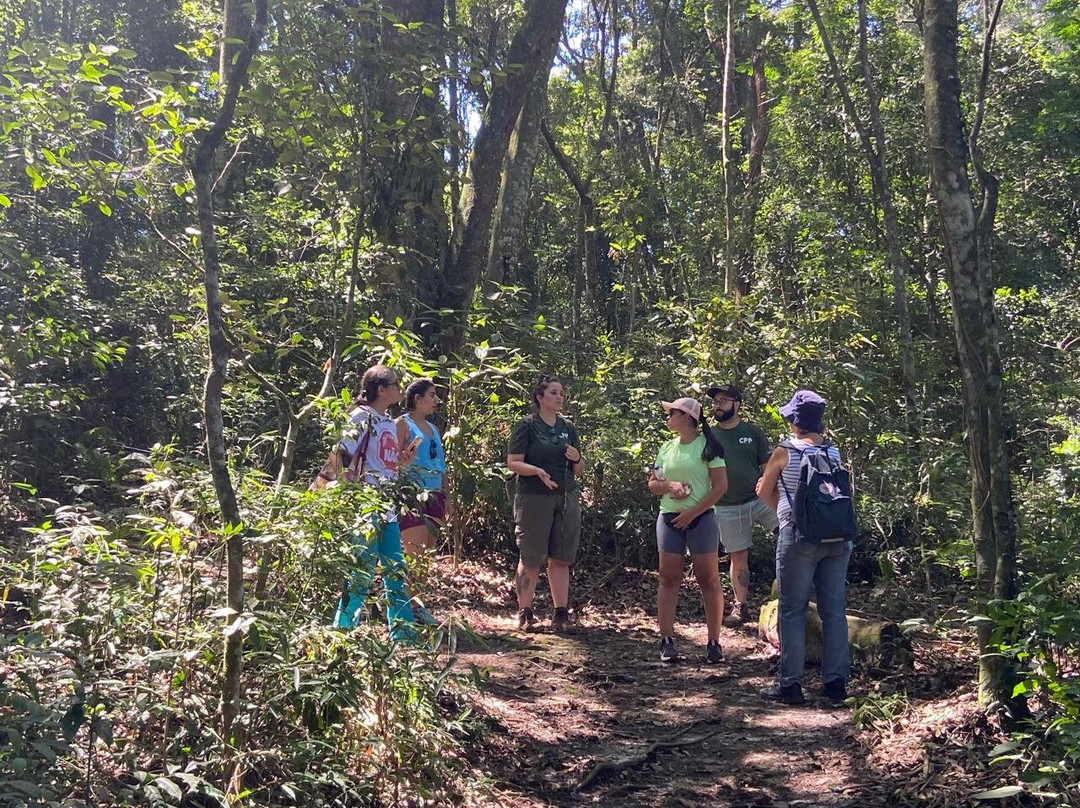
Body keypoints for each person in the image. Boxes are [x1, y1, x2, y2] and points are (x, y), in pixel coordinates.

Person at [755, 390, 851, 705]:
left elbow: (765, 493)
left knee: (792, 610)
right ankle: (836, 684)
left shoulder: (784, 452)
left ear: (795, 422)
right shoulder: (833, 452)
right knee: (834, 612)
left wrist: (787, 516)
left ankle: (790, 685)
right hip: (837, 538)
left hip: (798, 539)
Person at [333, 364, 418, 640]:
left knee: (395, 570)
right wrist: (347, 494)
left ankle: (404, 636)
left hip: (388, 507)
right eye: (394, 384)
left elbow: (385, 464)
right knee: (361, 571)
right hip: (366, 505)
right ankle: (342, 632)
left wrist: (403, 463)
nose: (399, 388)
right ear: (381, 390)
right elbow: (340, 456)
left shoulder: (388, 422)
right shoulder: (361, 417)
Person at [648, 397, 729, 663]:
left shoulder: (709, 447)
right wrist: (669, 485)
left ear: (687, 417)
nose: (667, 418)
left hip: (701, 518)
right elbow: (653, 483)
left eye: (672, 413)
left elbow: (720, 487)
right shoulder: (666, 447)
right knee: (668, 578)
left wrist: (692, 513)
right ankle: (667, 639)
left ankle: (714, 642)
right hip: (669, 518)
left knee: (709, 579)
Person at [507, 374, 584, 633]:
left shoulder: (568, 428)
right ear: (539, 398)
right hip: (533, 497)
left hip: (565, 496)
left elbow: (580, 470)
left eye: (561, 393)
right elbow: (513, 462)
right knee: (531, 556)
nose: (559, 397)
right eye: (553, 392)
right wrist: (537, 471)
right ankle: (525, 612)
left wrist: (577, 458)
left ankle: (561, 613)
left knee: (561, 557)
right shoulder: (527, 426)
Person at [707, 383, 777, 625]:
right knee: (738, 556)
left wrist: (769, 490)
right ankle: (741, 606)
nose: (717, 406)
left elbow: (767, 467)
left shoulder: (753, 432)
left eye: (723, 401)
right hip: (727, 505)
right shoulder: (709, 435)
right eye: (715, 402)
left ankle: (796, 594)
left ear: (737, 404)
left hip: (760, 499)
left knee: (790, 532)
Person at [396, 379, 448, 625]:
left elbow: (442, 467)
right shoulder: (402, 425)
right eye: (432, 395)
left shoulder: (433, 428)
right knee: (413, 552)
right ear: (417, 398)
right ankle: (407, 608)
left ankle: (418, 605)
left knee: (427, 554)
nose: (436, 400)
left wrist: (446, 498)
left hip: (435, 494)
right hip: (413, 494)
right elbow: (393, 461)